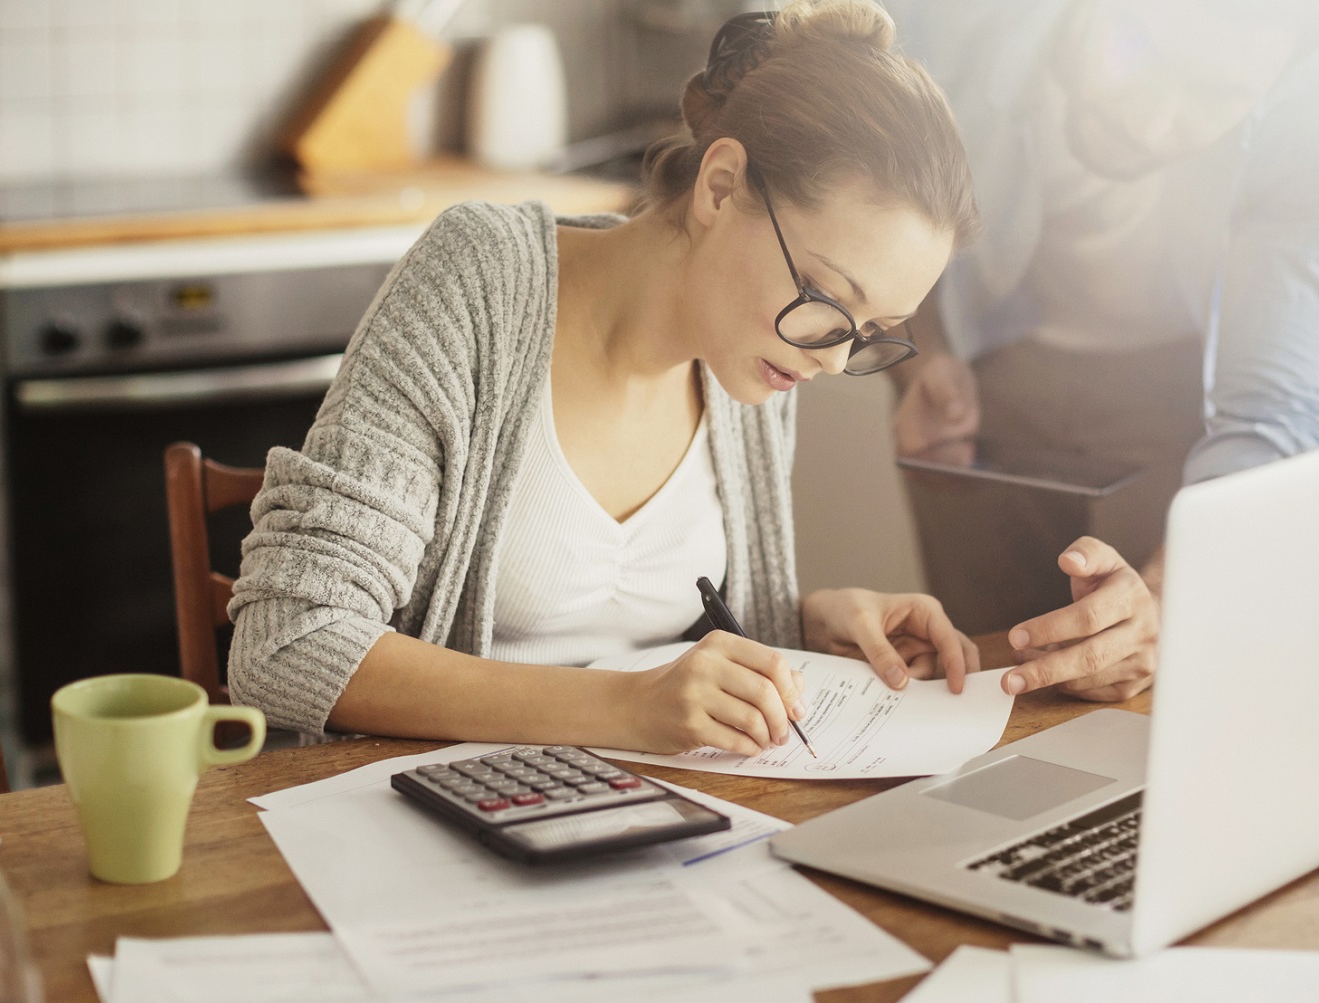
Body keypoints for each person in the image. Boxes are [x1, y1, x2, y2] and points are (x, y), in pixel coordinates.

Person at [226, 1, 990, 756]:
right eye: (826, 299)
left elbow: (675, 636)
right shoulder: (481, 280)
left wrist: (806, 619)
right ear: (721, 186)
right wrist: (621, 707)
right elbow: (288, 640)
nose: (830, 357)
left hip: (652, 826)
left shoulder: (759, 362)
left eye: (872, 333)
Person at [885, 0, 1319, 702]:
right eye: (1140, 51)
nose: (1149, 122)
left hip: (1185, 391)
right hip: (982, 348)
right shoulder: (945, 15)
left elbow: (1279, 413)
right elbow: (870, 182)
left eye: (1214, 94)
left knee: (1147, 673)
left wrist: (1160, 599)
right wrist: (921, 350)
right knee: (981, 676)